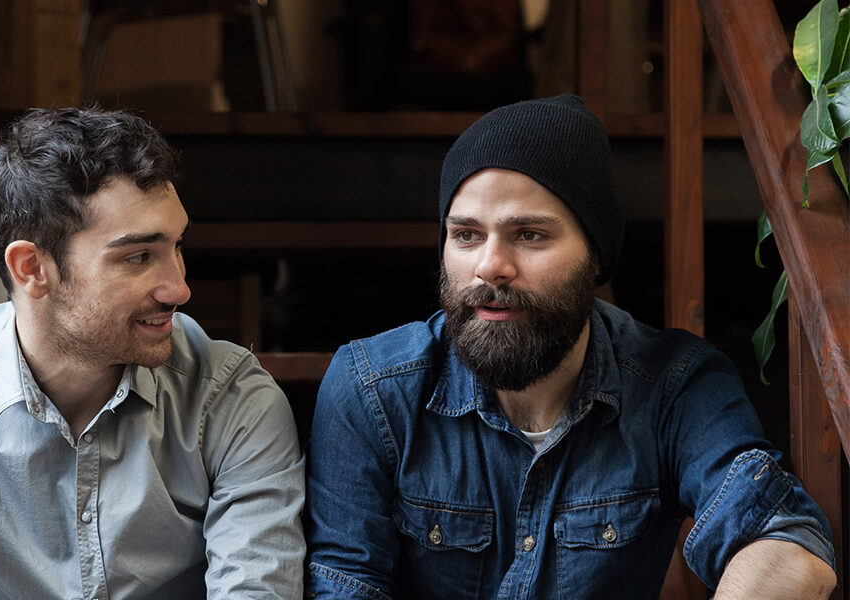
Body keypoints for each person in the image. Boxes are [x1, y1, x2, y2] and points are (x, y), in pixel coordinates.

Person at [304, 95, 836, 599]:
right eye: (466, 235)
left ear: (596, 256)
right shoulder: (372, 391)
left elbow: (788, 548)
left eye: (530, 234)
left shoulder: (673, 387)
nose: (490, 265)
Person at [0, 108, 305, 600]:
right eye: (138, 257)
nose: (179, 288)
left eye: (177, 246)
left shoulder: (233, 396)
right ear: (31, 268)